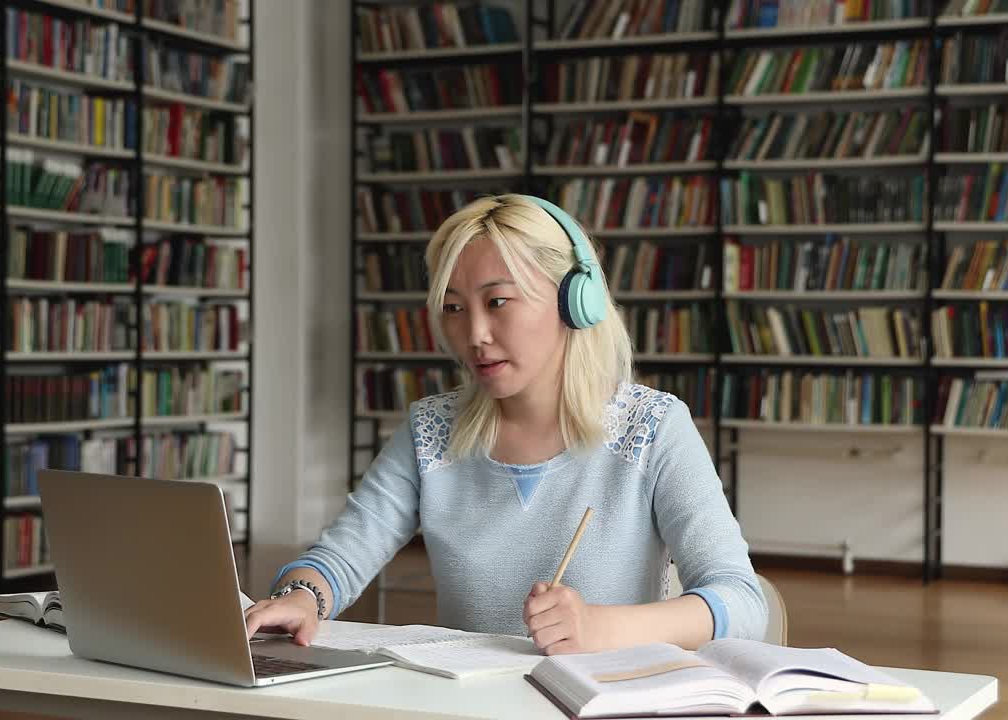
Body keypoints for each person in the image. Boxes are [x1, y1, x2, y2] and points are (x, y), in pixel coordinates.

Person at [244, 193, 766, 655]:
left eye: (498, 301)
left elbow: (742, 601)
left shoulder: (652, 428)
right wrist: (303, 597)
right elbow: (340, 556)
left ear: (574, 301)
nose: (473, 334)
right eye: (452, 307)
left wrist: (603, 629)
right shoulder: (431, 430)